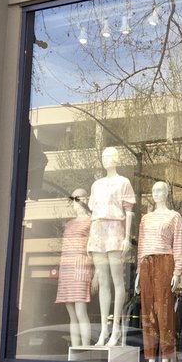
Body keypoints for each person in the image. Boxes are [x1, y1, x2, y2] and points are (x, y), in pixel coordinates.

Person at [87, 147, 135, 346]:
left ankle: (116, 328)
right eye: (104, 157)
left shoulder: (124, 182)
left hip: (115, 228)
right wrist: (91, 237)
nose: (106, 160)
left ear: (116, 159)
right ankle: (104, 329)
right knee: (103, 280)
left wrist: (127, 238)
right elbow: (93, 211)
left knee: (117, 281)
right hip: (98, 229)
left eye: (110, 156)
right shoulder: (96, 184)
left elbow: (129, 211)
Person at [135, 181, 182, 362]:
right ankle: (150, 357)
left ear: (167, 193)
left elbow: (178, 244)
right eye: (154, 190)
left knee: (164, 310)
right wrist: (138, 271)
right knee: (148, 310)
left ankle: (166, 355)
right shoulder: (145, 219)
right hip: (146, 262)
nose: (156, 193)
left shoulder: (174, 216)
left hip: (165, 261)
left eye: (160, 190)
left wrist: (177, 272)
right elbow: (141, 245)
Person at [55, 188, 93, 348]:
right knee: (71, 314)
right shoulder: (69, 224)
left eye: (77, 199)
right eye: (73, 199)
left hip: (81, 265)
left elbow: (94, 247)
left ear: (85, 200)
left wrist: (96, 273)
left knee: (80, 311)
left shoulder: (92, 221)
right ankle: (75, 350)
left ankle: (85, 348)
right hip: (67, 267)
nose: (75, 203)